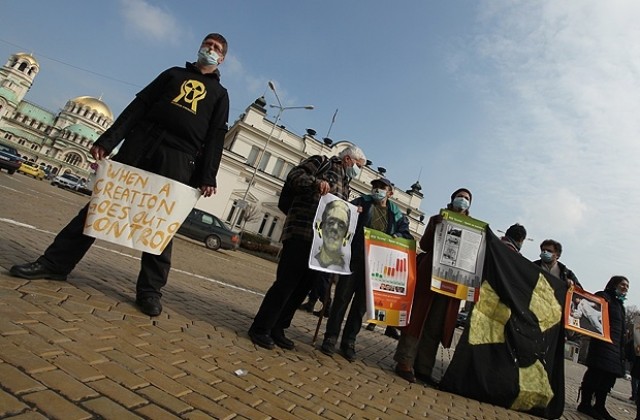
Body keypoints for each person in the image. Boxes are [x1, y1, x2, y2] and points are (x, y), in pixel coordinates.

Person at [9, 34, 230, 317]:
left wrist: (207, 176)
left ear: (221, 58)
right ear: (200, 47)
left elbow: (215, 136)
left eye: (216, 48)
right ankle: (54, 264)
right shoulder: (172, 74)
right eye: (207, 44)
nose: (210, 49)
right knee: (99, 207)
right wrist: (108, 140)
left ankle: (150, 292)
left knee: (160, 225)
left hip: (177, 158)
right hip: (140, 146)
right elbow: (138, 107)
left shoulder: (220, 95)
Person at [248, 146, 366, 350]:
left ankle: (279, 327)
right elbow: (295, 175)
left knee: (302, 288)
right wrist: (316, 183)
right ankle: (261, 327)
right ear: (348, 159)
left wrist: (353, 211)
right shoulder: (322, 162)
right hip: (301, 233)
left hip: (320, 244)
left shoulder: (346, 183)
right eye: (358, 166)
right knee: (286, 283)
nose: (359, 170)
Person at [320, 177, 412, 361]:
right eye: (375, 186)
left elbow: (406, 234)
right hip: (354, 259)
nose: (377, 190)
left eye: (382, 187)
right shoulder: (361, 202)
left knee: (360, 306)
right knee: (341, 299)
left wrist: (397, 235)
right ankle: (330, 338)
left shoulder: (396, 213)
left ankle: (349, 342)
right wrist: (353, 212)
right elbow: (342, 213)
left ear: (390, 192)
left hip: (375, 266)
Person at [393, 188, 472, 385]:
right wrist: (436, 227)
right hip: (429, 276)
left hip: (451, 284)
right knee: (417, 319)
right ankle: (404, 362)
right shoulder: (437, 218)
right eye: (460, 197)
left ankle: (423, 368)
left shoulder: (473, 229)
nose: (463, 200)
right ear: (452, 199)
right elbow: (426, 245)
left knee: (436, 325)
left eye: (467, 198)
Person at [577, 276, 629, 420]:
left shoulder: (620, 305)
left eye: (627, 286)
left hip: (615, 347)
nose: (625, 288)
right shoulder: (604, 297)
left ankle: (600, 405)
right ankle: (585, 404)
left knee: (608, 378)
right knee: (596, 374)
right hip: (602, 345)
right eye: (622, 284)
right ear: (614, 285)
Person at [310, 199, 352, 271]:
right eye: (331, 222)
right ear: (321, 226)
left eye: (341, 226)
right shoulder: (311, 259)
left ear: (346, 235)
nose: (335, 228)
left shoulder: (344, 268)